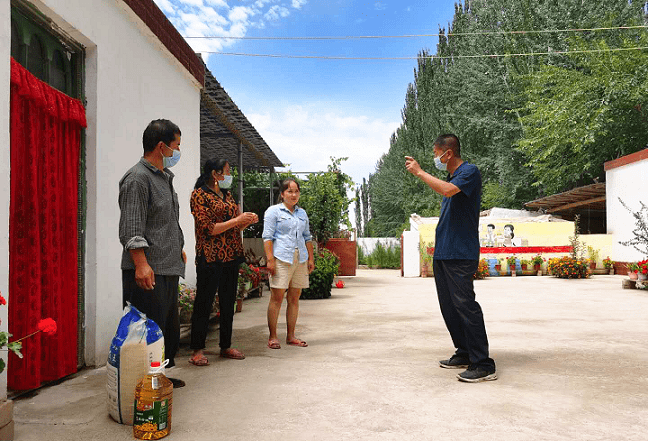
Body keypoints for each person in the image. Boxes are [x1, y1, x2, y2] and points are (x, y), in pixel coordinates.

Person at [405, 134, 497, 383]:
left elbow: (447, 191)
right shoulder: (451, 176)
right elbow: (446, 188)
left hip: (460, 252)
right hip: (445, 251)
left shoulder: (469, 172)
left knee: (465, 306)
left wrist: (420, 172)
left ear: (448, 152)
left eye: (436, 153)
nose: (435, 158)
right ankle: (465, 351)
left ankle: (483, 363)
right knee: (449, 307)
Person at [119, 119, 187, 388]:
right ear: (161, 147)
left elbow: (163, 222)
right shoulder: (138, 178)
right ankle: (143, 383)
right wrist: (141, 264)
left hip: (167, 267)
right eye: (176, 146)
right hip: (149, 269)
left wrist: (177, 248)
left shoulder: (163, 179)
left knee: (165, 330)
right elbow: (132, 227)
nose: (178, 152)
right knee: (147, 330)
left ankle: (159, 377)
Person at [188, 159, 258, 366]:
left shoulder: (227, 195)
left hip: (231, 255)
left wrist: (245, 221)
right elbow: (208, 228)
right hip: (210, 256)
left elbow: (234, 227)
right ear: (214, 173)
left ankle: (225, 345)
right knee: (204, 301)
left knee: (228, 302)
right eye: (227, 172)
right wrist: (237, 221)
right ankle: (197, 349)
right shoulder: (199, 195)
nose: (230, 176)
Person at [263, 179, 315, 350]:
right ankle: (273, 337)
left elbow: (307, 237)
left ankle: (291, 336)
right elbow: (267, 237)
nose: (293, 195)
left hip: (300, 258)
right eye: (290, 191)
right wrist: (270, 260)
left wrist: (310, 259)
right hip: (281, 258)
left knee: (294, 298)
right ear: (282, 193)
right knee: (277, 298)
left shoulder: (302, 214)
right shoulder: (274, 212)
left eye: (296, 191)